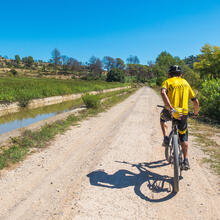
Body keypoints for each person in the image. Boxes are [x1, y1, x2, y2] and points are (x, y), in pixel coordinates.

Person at [160, 65, 199, 170]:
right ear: (181, 74)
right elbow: (195, 101)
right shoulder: (185, 83)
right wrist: (195, 113)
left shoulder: (167, 81)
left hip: (171, 111)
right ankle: (186, 160)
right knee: (183, 136)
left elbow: (163, 92)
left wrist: (170, 107)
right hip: (183, 113)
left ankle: (166, 138)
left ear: (169, 74)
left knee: (162, 118)